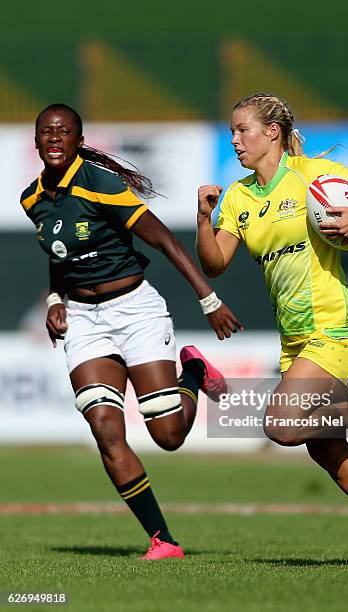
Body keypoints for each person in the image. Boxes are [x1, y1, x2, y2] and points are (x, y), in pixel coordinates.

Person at [196, 93, 348, 565]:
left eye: (243, 130)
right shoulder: (240, 195)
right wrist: (205, 218)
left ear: (273, 133)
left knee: (282, 426)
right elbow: (216, 262)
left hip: (335, 326)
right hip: (296, 338)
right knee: (322, 446)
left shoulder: (310, 174)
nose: (235, 140)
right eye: (232, 132)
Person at [20, 103, 243, 561]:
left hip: (135, 311)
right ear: (38, 141)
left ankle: (194, 373)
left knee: (169, 436)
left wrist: (210, 301)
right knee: (104, 428)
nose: (55, 138)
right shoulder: (31, 199)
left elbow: (164, 239)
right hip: (83, 321)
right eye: (47, 132)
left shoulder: (100, 183)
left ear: (80, 141)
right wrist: (54, 299)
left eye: (64, 131)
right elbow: (58, 252)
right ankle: (162, 540)